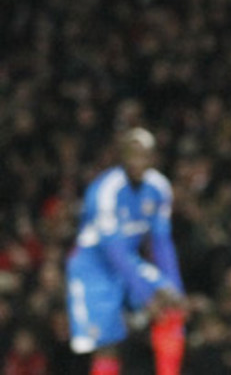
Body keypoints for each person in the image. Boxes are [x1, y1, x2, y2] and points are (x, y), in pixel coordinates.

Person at [66, 128, 186, 375]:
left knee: (171, 303)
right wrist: (144, 294)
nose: (136, 162)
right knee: (107, 344)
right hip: (94, 267)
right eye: (131, 155)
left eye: (143, 155)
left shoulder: (159, 188)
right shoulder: (106, 190)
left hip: (127, 262)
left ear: (153, 158)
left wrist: (174, 286)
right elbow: (113, 250)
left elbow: (161, 242)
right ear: (122, 157)